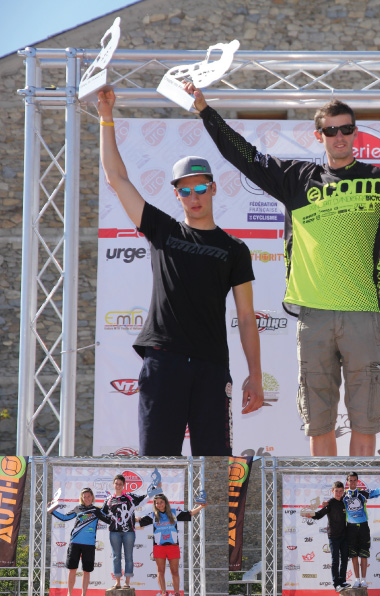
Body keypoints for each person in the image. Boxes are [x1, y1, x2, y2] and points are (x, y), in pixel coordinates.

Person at [183, 83, 380, 456]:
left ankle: (357, 494)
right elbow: (244, 156)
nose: (339, 136)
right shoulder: (296, 178)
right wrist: (207, 112)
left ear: (355, 132)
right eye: (331, 130)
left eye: (346, 128)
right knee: (319, 424)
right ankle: (329, 491)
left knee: (365, 422)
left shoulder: (378, 181)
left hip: (362, 314)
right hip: (313, 317)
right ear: (319, 135)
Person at [97, 89, 264, 456]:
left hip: (211, 366)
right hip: (164, 361)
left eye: (201, 187)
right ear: (176, 195)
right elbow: (116, 178)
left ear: (214, 188)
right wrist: (106, 117)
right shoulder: (163, 230)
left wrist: (255, 374)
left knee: (214, 468)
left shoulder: (234, 249)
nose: (194, 196)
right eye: (185, 191)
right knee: (158, 466)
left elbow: (246, 317)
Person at [138, 493, 207, 596]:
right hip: (159, 547)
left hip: (173, 547)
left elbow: (189, 513)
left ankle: (177, 594)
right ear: (155, 505)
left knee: (174, 571)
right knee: (160, 571)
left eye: (161, 502)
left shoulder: (174, 513)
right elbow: (138, 520)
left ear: (165, 502)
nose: (159, 505)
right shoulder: (153, 515)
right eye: (157, 503)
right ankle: (164, 594)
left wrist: (201, 506)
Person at [48, 487, 112, 596]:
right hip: (75, 543)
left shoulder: (96, 510)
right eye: (84, 497)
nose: (87, 498)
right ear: (82, 498)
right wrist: (52, 510)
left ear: (92, 497)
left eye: (88, 496)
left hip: (89, 545)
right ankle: (69, 595)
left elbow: (108, 520)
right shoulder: (77, 508)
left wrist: (113, 509)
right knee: (72, 569)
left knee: (86, 571)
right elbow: (65, 517)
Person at [343, 471, 380, 587]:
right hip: (351, 528)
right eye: (350, 480)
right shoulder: (343, 495)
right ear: (347, 482)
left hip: (363, 526)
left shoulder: (362, 493)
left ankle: (363, 580)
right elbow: (333, 502)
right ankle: (356, 579)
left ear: (357, 481)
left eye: (354, 480)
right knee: (353, 555)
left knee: (364, 554)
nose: (352, 483)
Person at [302, 481, 350, 592]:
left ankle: (342, 581)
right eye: (336, 491)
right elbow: (319, 515)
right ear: (332, 491)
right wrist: (310, 514)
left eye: (341, 491)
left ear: (343, 491)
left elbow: (353, 494)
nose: (339, 493)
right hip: (333, 536)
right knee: (335, 561)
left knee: (344, 559)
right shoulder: (330, 503)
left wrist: (363, 500)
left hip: (344, 536)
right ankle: (336, 584)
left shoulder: (345, 501)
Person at [101, 474, 147, 590]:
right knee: (116, 557)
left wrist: (155, 489)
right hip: (114, 532)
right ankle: (117, 582)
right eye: (116, 483)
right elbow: (102, 514)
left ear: (123, 485)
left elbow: (143, 498)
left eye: (120, 484)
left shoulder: (129, 497)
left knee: (128, 557)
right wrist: (111, 521)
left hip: (129, 532)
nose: (118, 486)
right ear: (113, 484)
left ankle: (127, 582)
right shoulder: (108, 500)